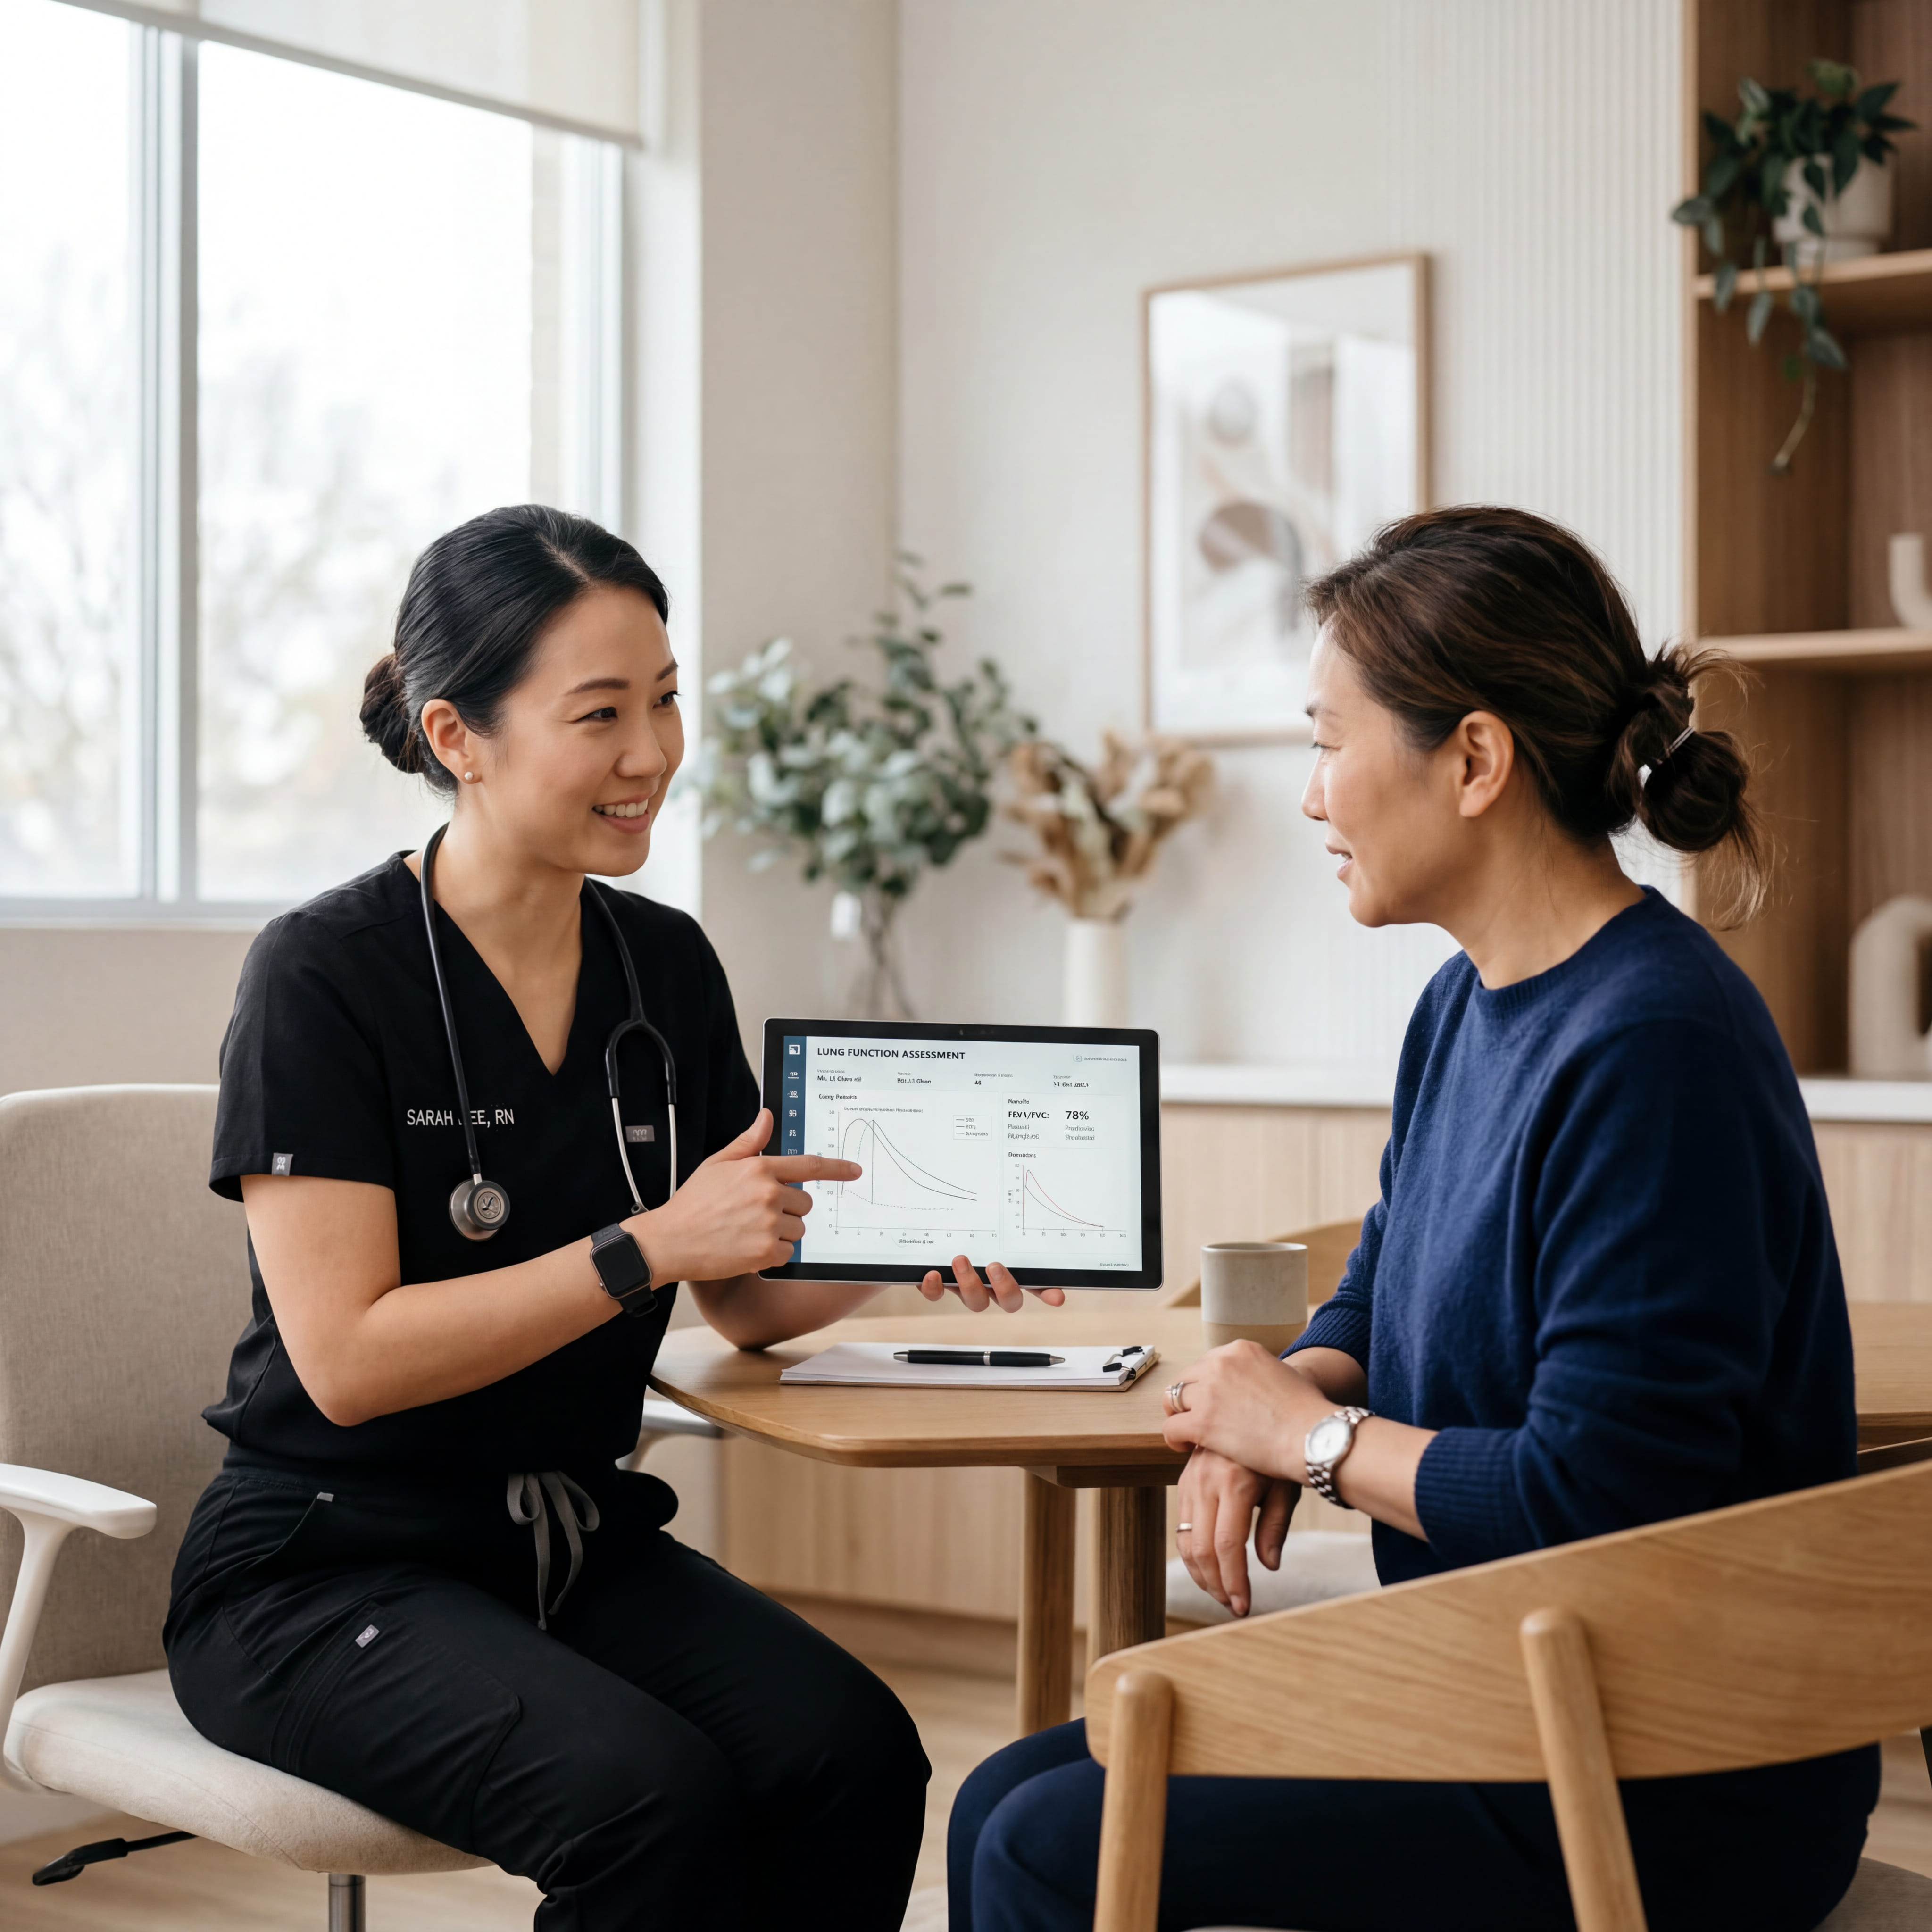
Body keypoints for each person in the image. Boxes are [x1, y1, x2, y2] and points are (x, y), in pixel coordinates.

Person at [949, 506, 1877, 1932]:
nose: (1312, 798)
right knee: (1002, 1801)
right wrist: (1298, 1382)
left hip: (1668, 1772)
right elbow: (1387, 1278)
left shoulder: (1654, 1044)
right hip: (1498, 1692)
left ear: (1477, 760)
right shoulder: (1467, 1004)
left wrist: (1307, 1445)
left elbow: (1605, 1499)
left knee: (1045, 1845)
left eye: (1328, 742)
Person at [165, 504, 1058, 1932]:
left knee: (855, 1757)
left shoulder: (664, 965)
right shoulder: (324, 976)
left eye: (664, 700)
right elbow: (348, 1359)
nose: (652, 754)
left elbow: (747, 1297)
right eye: (600, 714)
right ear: (457, 735)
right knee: (648, 1802)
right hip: (320, 1575)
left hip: (566, 1547)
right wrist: (642, 1250)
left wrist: (901, 1244)